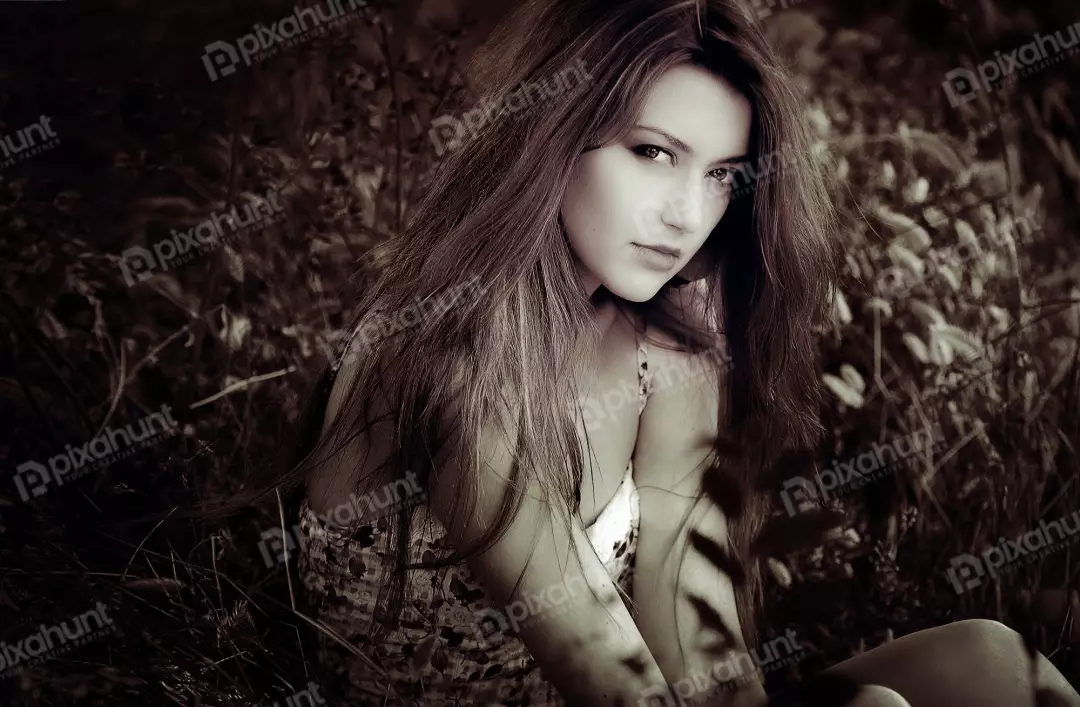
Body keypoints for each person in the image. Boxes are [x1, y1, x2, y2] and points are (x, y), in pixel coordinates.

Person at [277, 0, 1080, 704]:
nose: (687, 213)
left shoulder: (666, 341)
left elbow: (697, 642)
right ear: (553, 135)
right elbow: (602, 669)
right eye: (653, 153)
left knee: (995, 662)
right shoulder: (449, 353)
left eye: (724, 174)